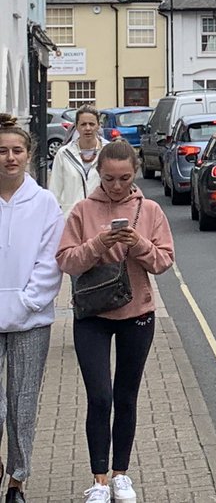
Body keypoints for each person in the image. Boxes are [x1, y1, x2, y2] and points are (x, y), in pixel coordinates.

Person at [56, 141, 175, 503]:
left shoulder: (150, 210)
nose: (117, 186)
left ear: (134, 173)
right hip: (92, 313)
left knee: (126, 396)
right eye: (109, 178)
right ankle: (99, 479)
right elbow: (67, 262)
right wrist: (98, 243)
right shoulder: (81, 210)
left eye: (124, 178)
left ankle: (121, 474)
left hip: (136, 313)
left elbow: (163, 262)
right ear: (99, 175)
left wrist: (136, 242)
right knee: (99, 396)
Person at [0, 114, 65, 503]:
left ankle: (17, 482)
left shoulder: (44, 202)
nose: (9, 157)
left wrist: (25, 304)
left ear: (29, 155)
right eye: (2, 151)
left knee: (22, 403)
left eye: (16, 150)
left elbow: (50, 261)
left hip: (31, 319)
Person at [48, 104, 106, 216]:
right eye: (83, 124)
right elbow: (55, 190)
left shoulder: (108, 151)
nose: (88, 128)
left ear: (98, 126)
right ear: (76, 127)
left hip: (100, 218)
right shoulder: (64, 153)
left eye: (92, 124)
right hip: (71, 218)